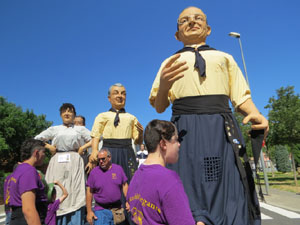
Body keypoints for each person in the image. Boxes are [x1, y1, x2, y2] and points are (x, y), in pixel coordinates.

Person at [149, 6, 269, 225]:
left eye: (198, 18)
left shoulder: (225, 58)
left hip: (221, 127)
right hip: (184, 131)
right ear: (177, 34)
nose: (192, 22)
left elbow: (240, 97)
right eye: (184, 20)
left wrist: (255, 114)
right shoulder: (168, 62)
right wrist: (165, 85)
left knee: (229, 184)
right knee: (188, 183)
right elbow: (159, 106)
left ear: (208, 29)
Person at [127, 119, 195, 225]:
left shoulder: (136, 177)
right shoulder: (169, 180)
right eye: (176, 140)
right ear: (163, 143)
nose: (179, 144)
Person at [35, 103, 91, 225]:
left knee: (75, 191)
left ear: (74, 115)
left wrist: (83, 148)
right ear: (60, 115)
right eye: (64, 111)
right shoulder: (54, 129)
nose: (67, 114)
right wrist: (49, 147)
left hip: (75, 161)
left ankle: (75, 220)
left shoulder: (79, 129)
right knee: (56, 190)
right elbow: (37, 139)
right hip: (57, 161)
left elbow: (95, 138)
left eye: (70, 111)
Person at [88, 83, 143, 182]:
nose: (120, 96)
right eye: (116, 93)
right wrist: (94, 150)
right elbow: (96, 135)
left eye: (123, 94)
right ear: (109, 98)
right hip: (108, 151)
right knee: (107, 181)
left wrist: (141, 134)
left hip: (127, 152)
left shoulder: (132, 118)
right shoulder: (102, 116)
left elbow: (138, 141)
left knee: (130, 179)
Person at [7, 139, 48, 225]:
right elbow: (28, 210)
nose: (44, 155)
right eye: (43, 152)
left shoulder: (19, 169)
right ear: (36, 153)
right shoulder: (29, 171)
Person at [86, 148, 129, 225]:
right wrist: (89, 211)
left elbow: (125, 186)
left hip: (117, 210)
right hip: (101, 211)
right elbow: (89, 192)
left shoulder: (118, 169)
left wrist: (128, 201)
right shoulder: (94, 172)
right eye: (99, 160)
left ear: (109, 157)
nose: (101, 161)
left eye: (103, 159)